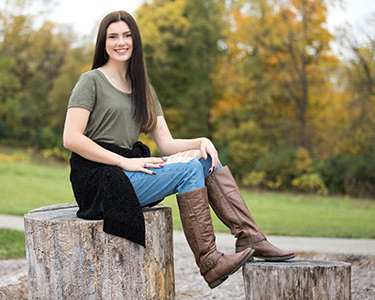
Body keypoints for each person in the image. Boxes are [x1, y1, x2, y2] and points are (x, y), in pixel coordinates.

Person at [63, 10, 294, 289]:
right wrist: (124, 162)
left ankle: (250, 237)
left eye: (127, 35)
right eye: (113, 36)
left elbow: (167, 144)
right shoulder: (91, 81)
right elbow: (71, 139)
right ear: (104, 42)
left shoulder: (142, 88)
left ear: (135, 41)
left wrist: (200, 142)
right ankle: (210, 261)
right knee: (187, 172)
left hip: (129, 174)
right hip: (101, 181)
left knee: (204, 159)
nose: (120, 42)